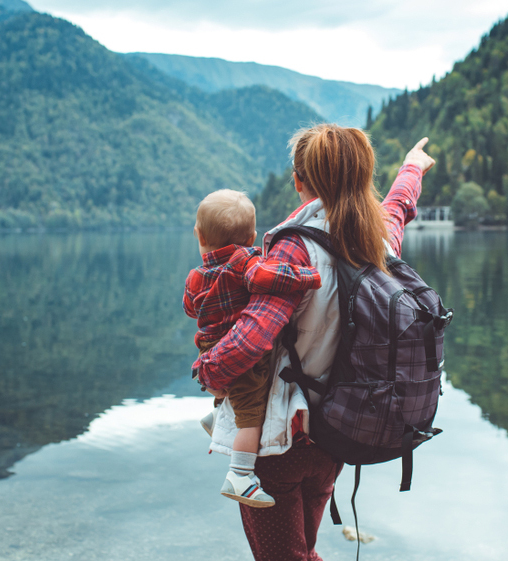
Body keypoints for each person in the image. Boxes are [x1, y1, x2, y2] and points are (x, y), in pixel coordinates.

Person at [194, 124, 436, 561]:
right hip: (336, 433)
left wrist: (207, 370)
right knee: (302, 552)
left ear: (299, 180)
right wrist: (413, 168)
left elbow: (251, 340)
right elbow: (397, 208)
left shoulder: (294, 249)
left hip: (281, 440)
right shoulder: (375, 239)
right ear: (362, 177)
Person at [183, 189, 323, 508]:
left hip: (208, 346)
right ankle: (241, 475)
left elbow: (191, 309)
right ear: (252, 236)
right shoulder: (244, 260)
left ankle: (216, 417)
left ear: (199, 235)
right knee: (252, 417)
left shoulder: (196, 277)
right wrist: (308, 276)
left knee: (238, 393)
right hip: (238, 348)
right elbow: (267, 276)